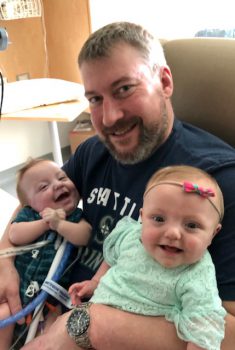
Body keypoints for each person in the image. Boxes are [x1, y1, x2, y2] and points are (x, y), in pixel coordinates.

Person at [0, 21, 235, 349]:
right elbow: (34, 204)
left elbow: (227, 331)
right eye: (95, 99)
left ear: (164, 82)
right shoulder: (94, 151)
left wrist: (88, 325)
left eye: (125, 89)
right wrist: (5, 260)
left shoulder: (217, 181)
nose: (109, 118)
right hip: (47, 302)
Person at [69, 165, 226, 350]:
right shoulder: (130, 235)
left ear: (213, 234)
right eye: (159, 219)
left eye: (191, 225)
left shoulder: (197, 274)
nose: (173, 233)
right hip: (89, 328)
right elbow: (112, 258)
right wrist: (96, 281)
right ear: (142, 218)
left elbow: (203, 330)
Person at [0, 158, 91, 349]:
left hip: (51, 302)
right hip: (19, 292)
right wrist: (45, 223)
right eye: (43, 187)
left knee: (51, 333)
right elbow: (14, 234)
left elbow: (85, 235)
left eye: (62, 177)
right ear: (29, 204)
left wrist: (60, 224)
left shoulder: (76, 217)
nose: (58, 184)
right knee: (3, 316)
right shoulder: (29, 215)